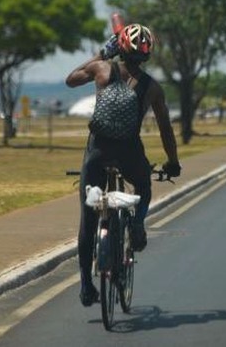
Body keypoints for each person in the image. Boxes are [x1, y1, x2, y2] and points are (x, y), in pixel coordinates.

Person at [65, 23, 181, 307]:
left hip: (98, 151)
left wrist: (102, 53)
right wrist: (173, 162)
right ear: (147, 54)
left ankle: (85, 285)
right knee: (142, 183)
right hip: (129, 152)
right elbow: (166, 129)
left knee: (88, 216)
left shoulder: (102, 69)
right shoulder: (153, 88)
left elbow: (70, 79)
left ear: (121, 48)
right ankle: (138, 222)